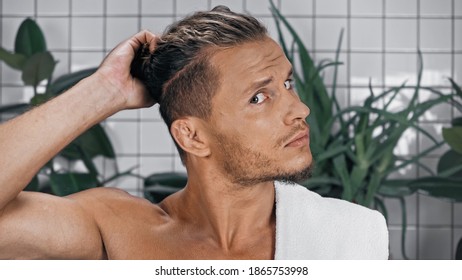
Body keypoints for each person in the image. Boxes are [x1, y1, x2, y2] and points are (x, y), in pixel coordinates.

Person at [0, 6, 388, 259]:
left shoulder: (352, 235)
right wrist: (104, 91)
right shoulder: (116, 233)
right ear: (192, 137)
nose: (300, 110)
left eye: (287, 84)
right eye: (259, 97)